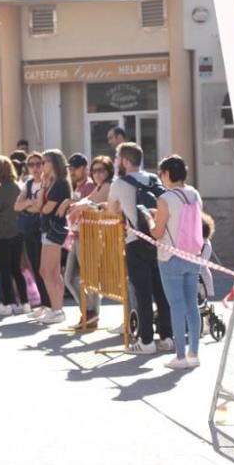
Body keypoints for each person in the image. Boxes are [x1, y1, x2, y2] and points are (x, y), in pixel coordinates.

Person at [108, 142, 173, 354]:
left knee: (143, 293)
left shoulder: (119, 184)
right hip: (158, 240)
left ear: (126, 161)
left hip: (135, 242)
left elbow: (112, 211)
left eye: (118, 158)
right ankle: (167, 337)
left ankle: (146, 342)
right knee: (161, 292)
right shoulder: (154, 180)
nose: (117, 162)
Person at [151, 155, 204, 370]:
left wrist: (148, 220)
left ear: (166, 174)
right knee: (192, 305)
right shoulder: (195, 195)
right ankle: (194, 353)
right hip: (193, 255)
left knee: (177, 305)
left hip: (170, 257)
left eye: (161, 174)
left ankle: (180, 356)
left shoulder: (165, 198)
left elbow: (158, 232)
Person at [64, 155, 113, 328]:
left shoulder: (105, 185)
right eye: (95, 170)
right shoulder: (98, 185)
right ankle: (88, 312)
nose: (98, 174)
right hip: (79, 235)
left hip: (92, 236)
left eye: (102, 170)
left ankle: (91, 313)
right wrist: (76, 205)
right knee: (70, 278)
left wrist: (76, 206)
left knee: (89, 277)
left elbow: (91, 203)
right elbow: (86, 202)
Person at [0, 156, 29, 315]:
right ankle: (24, 302)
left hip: (2, 234)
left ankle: (7, 303)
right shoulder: (18, 187)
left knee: (3, 270)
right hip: (18, 232)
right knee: (16, 269)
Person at [35, 150, 72, 325]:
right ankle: (56, 308)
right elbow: (38, 206)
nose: (41, 166)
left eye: (44, 162)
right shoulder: (51, 183)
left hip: (52, 231)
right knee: (53, 272)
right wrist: (43, 187)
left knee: (47, 271)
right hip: (48, 230)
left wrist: (42, 196)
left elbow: (45, 209)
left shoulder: (60, 184)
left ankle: (57, 309)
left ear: (53, 163)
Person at [15, 152, 47, 311]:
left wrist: (28, 205)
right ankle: (42, 304)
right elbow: (17, 206)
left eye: (38, 163)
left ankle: (49, 304)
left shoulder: (47, 183)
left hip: (43, 229)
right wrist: (29, 202)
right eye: (31, 164)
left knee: (44, 268)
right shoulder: (28, 183)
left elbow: (39, 207)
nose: (35, 168)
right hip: (29, 229)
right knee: (34, 266)